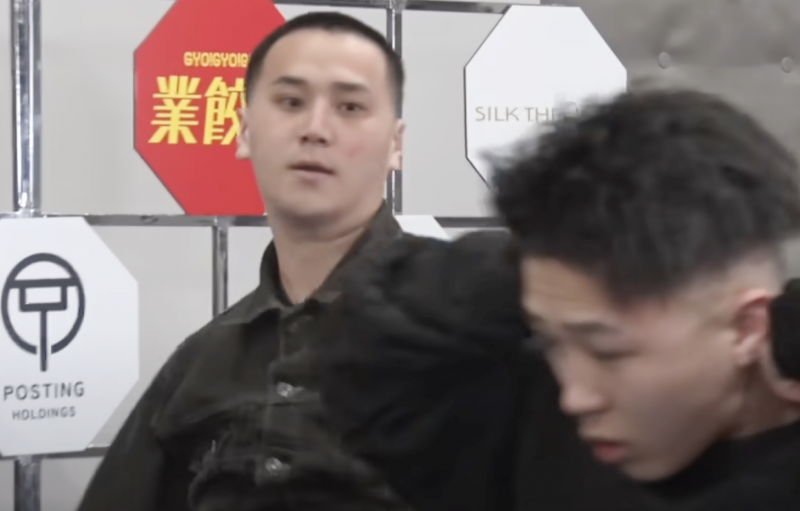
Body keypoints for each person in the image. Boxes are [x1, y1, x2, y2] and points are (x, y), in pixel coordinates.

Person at [316, 89, 800, 511]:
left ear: (747, 328)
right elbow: (367, 358)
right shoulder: (528, 414)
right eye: (551, 341)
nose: (577, 397)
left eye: (608, 353)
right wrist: (554, 255)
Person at [77, 11, 411, 511]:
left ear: (396, 145)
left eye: (350, 106)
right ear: (245, 131)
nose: (316, 128)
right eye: (291, 102)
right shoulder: (201, 363)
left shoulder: (475, 328)